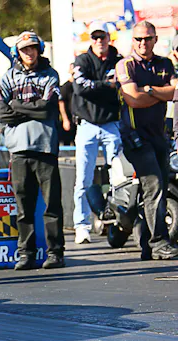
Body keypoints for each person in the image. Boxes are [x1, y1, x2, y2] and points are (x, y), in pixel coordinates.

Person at [0, 31, 65, 270]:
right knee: (23, 208)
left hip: (45, 148)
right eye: (24, 49)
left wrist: (17, 106)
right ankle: (26, 254)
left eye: (33, 48)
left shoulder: (50, 75)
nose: (29, 53)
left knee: (52, 205)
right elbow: (1, 113)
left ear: (39, 49)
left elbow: (47, 109)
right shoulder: (8, 77)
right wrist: (31, 108)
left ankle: (55, 252)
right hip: (18, 150)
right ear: (17, 52)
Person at [116, 21, 178, 260]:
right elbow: (133, 99)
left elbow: (176, 92)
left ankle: (146, 244)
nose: (143, 43)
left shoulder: (165, 64)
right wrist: (161, 93)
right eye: (139, 39)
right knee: (154, 186)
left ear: (155, 39)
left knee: (157, 187)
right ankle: (159, 242)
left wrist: (149, 90)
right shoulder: (125, 65)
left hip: (159, 135)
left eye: (148, 38)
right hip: (134, 136)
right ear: (133, 40)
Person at [71, 22, 124, 244]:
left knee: (119, 177)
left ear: (109, 38)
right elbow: (79, 87)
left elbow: (122, 86)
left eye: (102, 37)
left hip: (112, 124)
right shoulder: (83, 60)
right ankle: (81, 225)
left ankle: (119, 220)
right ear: (90, 39)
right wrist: (106, 85)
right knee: (82, 178)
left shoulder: (119, 60)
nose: (99, 41)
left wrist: (98, 86)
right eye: (95, 37)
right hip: (87, 125)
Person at [58, 63, 76, 147]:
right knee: (67, 143)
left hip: (79, 120)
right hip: (69, 119)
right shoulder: (66, 87)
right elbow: (61, 103)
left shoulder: (81, 86)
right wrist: (65, 120)